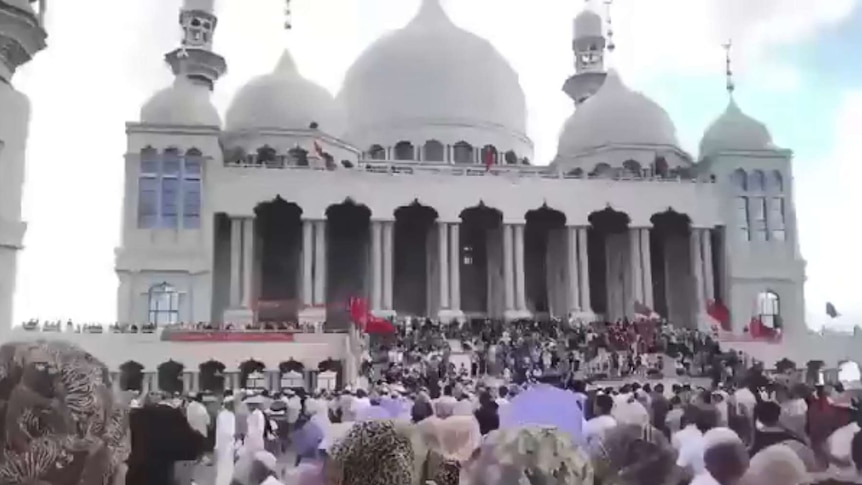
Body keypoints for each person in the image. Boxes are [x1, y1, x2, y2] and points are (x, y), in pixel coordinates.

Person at [215, 396, 238, 485]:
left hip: (223, 443)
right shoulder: (229, 415)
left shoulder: (222, 414)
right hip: (227, 443)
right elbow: (230, 431)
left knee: (224, 464)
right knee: (226, 465)